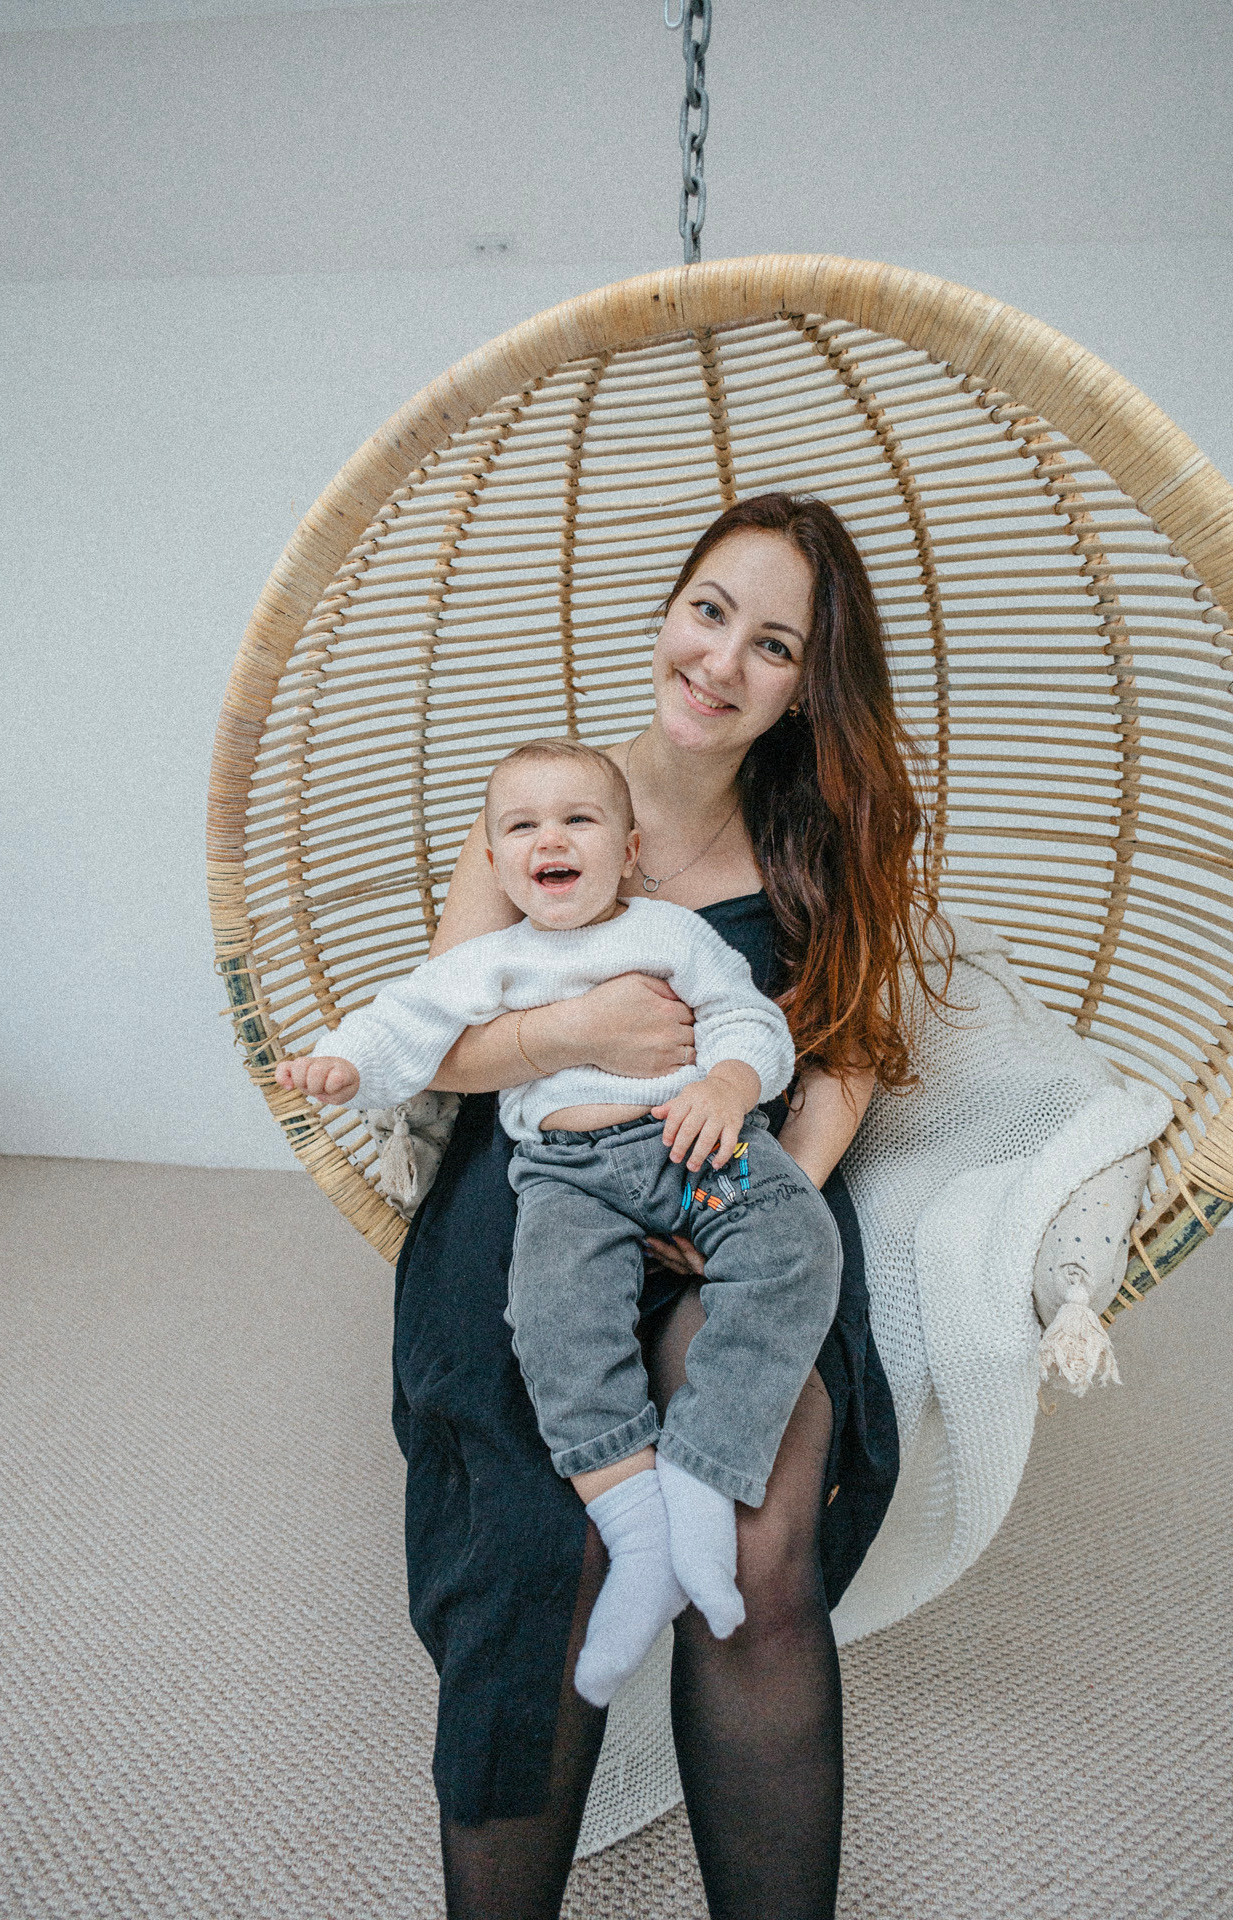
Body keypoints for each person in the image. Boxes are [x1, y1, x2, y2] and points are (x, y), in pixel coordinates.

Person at [358, 492, 946, 1919]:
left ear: (807, 685)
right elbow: (436, 1047)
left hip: (735, 1196)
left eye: (775, 645)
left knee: (755, 1518)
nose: (723, 660)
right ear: (666, 611)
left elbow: (851, 1058)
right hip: (542, 1185)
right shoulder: (543, 807)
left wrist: (760, 1198)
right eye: (709, 610)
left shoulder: (816, 839)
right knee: (538, 1530)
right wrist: (587, 1031)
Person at [279, 737, 845, 1710]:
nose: (552, 837)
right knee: (551, 1322)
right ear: (496, 865)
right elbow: (404, 1019)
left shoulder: (669, 934)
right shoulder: (495, 962)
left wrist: (727, 1079)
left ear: (627, 852)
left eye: (579, 819)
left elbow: (751, 1021)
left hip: (691, 1139)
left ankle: (704, 1474)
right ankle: (637, 1527)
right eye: (522, 825)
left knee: (797, 1247)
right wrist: (345, 1063)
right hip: (568, 1175)